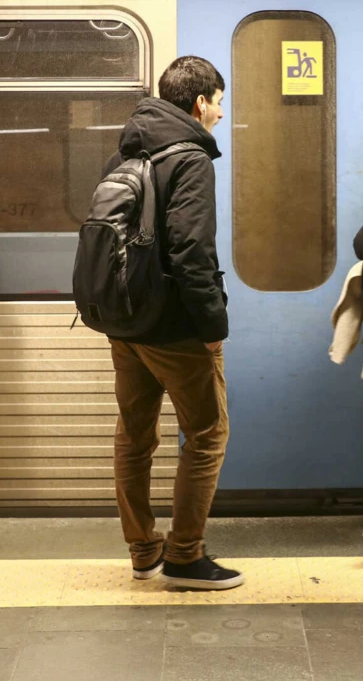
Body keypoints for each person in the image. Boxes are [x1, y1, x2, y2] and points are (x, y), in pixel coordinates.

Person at [105, 56, 242, 590]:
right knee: (208, 434)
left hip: (126, 322)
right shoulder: (190, 158)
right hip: (174, 328)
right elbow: (191, 252)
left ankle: (144, 551)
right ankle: (185, 555)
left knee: (134, 436)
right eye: (220, 103)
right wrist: (213, 327)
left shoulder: (126, 150)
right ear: (200, 103)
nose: (221, 114)